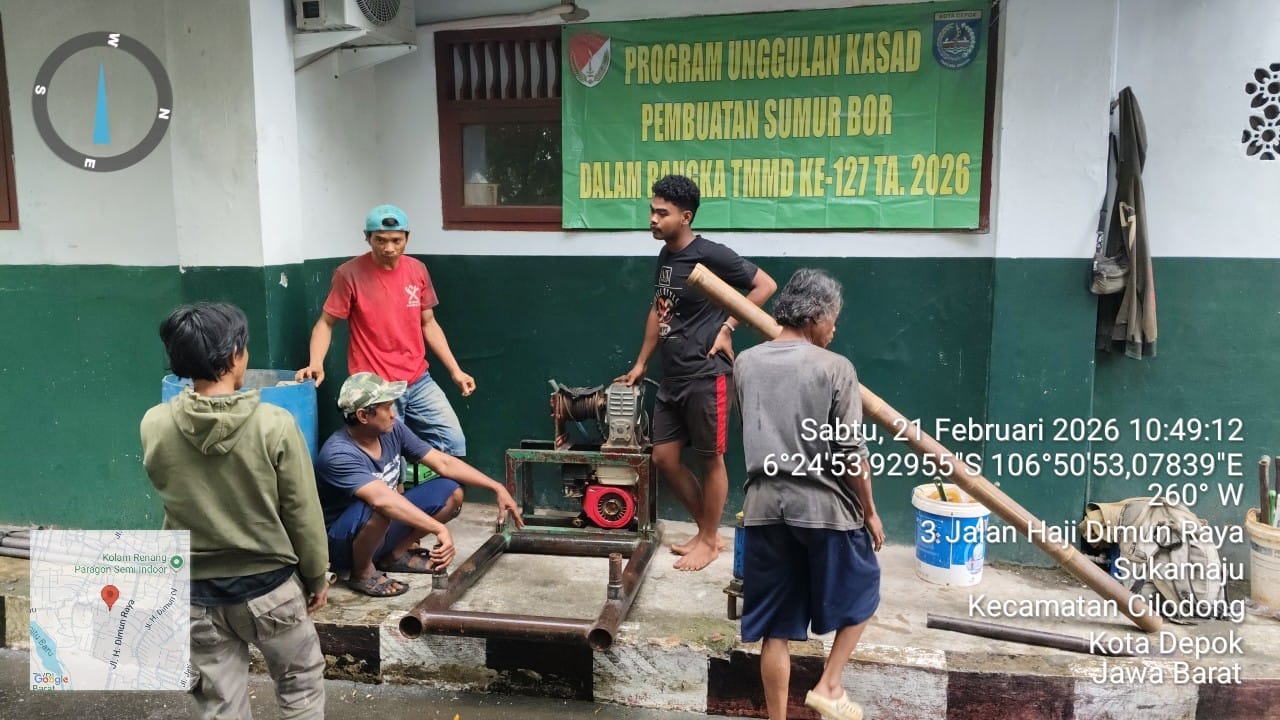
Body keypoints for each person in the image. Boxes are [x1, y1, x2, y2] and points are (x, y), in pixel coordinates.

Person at [140, 302, 328, 720]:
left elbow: (166, 488)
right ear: (234, 356)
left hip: (195, 592)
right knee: (301, 687)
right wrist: (316, 576)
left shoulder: (154, 423)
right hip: (271, 589)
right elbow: (302, 511)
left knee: (220, 704)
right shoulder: (274, 424)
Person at [733, 269, 884, 720]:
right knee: (865, 588)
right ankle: (830, 685)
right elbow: (851, 453)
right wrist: (870, 511)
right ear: (816, 315)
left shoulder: (746, 362)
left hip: (763, 507)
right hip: (824, 508)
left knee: (774, 629)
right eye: (833, 320)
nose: (834, 330)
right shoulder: (836, 368)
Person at [617, 174, 776, 571]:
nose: (652, 219)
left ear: (685, 217)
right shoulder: (666, 257)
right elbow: (660, 310)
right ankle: (706, 531)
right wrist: (641, 364)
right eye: (651, 211)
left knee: (712, 459)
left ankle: (709, 538)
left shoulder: (711, 254)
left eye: (661, 213)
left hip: (708, 375)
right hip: (673, 376)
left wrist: (727, 328)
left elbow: (764, 286)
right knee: (664, 457)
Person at [314, 371, 523, 597]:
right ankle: (362, 573)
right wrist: (438, 528)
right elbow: (382, 499)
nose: (393, 414)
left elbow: (442, 462)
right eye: (387, 408)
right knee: (381, 505)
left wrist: (496, 487)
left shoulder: (392, 431)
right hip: (342, 544)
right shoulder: (338, 454)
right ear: (363, 415)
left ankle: (394, 555)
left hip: (380, 527)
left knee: (451, 491)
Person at [297, 204, 473, 456]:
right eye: (380, 240)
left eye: (396, 240)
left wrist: (455, 371)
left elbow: (429, 323)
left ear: (407, 238)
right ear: (367, 238)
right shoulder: (348, 274)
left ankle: (439, 496)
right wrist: (316, 362)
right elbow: (325, 323)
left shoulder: (417, 270)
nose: (389, 248)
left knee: (453, 442)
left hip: (418, 379)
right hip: (376, 386)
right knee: (391, 460)